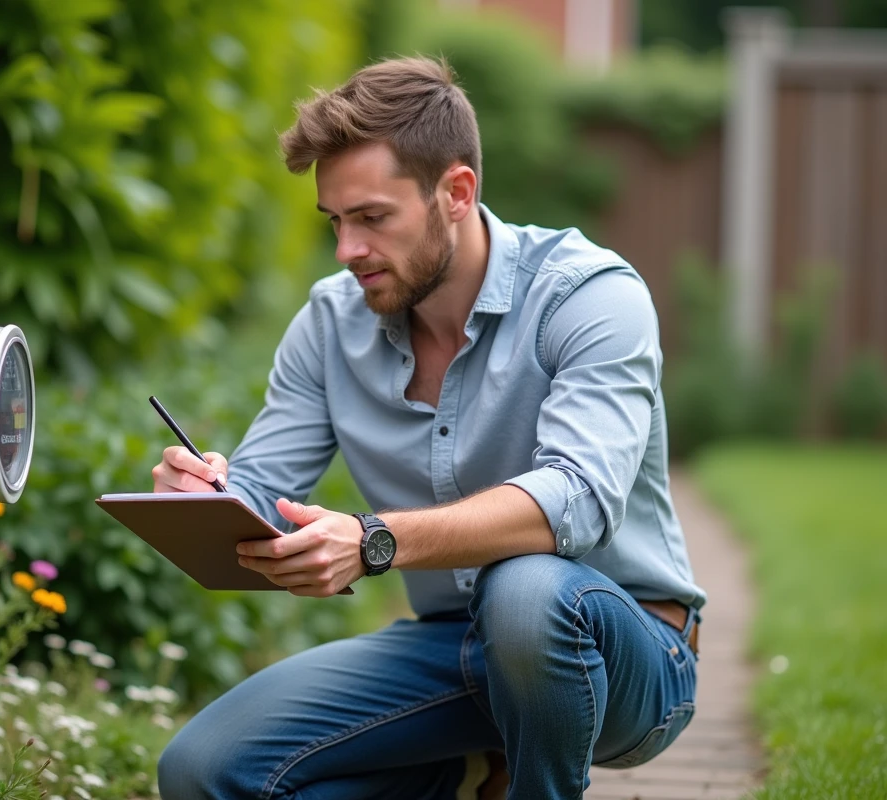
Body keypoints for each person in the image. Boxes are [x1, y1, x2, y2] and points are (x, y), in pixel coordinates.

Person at [152, 56, 704, 800]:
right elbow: (264, 491)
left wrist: (374, 539)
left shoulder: (590, 295)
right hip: (458, 650)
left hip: (625, 654)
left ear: (457, 192)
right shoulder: (329, 322)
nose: (347, 251)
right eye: (336, 222)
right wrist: (207, 496)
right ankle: (461, 775)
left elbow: (577, 497)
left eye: (373, 218)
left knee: (526, 592)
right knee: (202, 771)